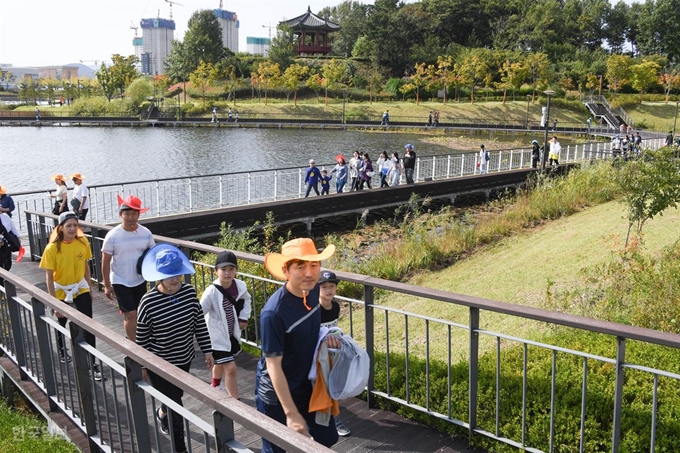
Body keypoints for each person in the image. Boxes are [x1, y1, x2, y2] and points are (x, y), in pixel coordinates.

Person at [256, 238, 340, 453]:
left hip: (307, 383)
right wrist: (291, 414)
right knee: (276, 449)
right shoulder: (273, 313)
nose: (309, 273)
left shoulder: (312, 291)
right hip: (277, 393)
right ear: (286, 270)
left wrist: (328, 339)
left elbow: (315, 323)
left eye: (314, 265)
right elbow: (273, 366)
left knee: (327, 437)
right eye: (300, 267)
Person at [138, 243, 214, 452]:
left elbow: (199, 323)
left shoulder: (189, 293)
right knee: (176, 405)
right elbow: (142, 338)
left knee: (174, 398)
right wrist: (142, 366)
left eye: (178, 274)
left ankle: (161, 413)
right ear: (159, 276)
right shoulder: (148, 301)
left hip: (183, 358)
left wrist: (208, 350)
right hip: (159, 363)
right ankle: (180, 448)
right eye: (170, 275)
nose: (175, 279)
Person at [39, 212, 101, 378]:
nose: (72, 229)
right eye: (68, 226)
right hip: (60, 288)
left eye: (75, 225)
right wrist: (53, 302)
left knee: (88, 324)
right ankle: (61, 349)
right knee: (61, 322)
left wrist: (89, 288)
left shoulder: (82, 242)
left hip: (80, 286)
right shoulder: (52, 248)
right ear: (61, 228)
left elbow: (87, 266)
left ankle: (91, 361)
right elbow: (49, 276)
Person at [101, 195, 156, 342]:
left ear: (139, 215)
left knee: (139, 313)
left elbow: (153, 255)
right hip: (120, 279)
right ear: (121, 215)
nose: (130, 217)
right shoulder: (112, 235)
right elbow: (105, 261)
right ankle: (134, 346)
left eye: (134, 214)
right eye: (127, 214)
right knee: (130, 314)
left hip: (139, 278)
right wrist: (106, 285)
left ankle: (140, 340)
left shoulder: (146, 233)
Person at [200, 250, 252, 398]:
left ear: (236, 270)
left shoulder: (240, 286)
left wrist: (243, 317)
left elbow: (247, 300)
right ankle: (235, 402)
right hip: (215, 336)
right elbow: (200, 311)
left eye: (231, 269)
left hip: (230, 333)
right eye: (223, 269)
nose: (227, 273)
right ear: (216, 271)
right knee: (230, 368)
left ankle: (215, 385)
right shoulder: (211, 291)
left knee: (221, 362)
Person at [317, 270, 351, 437]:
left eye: (332, 286)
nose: (328, 290)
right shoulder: (315, 309)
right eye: (324, 287)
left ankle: (332, 417)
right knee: (323, 386)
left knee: (333, 384)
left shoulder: (335, 306)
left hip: (332, 351)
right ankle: (332, 419)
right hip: (317, 355)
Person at [0, 212, 20, 285]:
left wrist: (17, 238)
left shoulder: (4, 217)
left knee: (8, 262)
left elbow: (11, 228)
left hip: (4, 244)